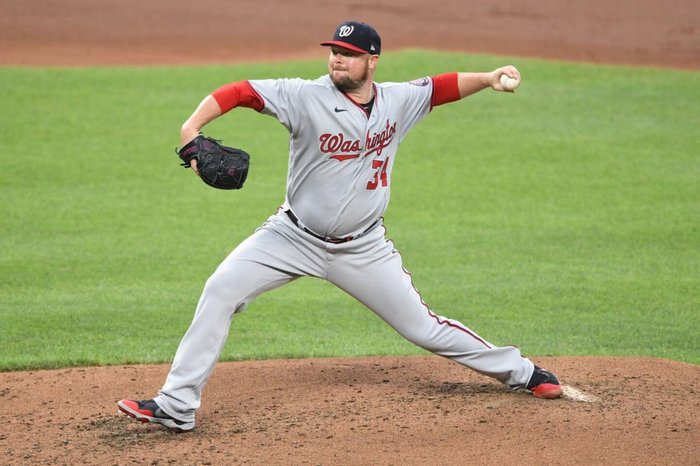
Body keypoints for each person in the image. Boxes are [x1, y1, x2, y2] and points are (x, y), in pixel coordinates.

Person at [118, 20, 562, 432]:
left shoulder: (397, 101)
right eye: (334, 51)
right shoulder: (304, 96)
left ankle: (521, 371)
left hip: (363, 249)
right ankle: (177, 405)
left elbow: (439, 88)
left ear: (372, 61)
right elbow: (240, 91)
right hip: (290, 237)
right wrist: (191, 126)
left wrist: (487, 78)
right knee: (221, 289)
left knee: (424, 328)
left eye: (349, 53)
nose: (337, 59)